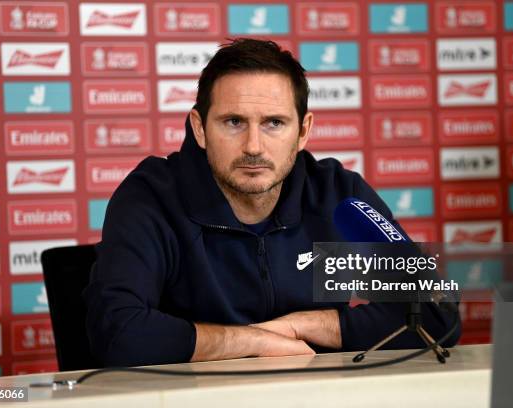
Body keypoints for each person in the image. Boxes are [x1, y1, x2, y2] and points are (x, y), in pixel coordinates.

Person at [83, 38, 460, 366]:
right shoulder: (152, 196)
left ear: (303, 131)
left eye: (274, 123)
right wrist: (255, 341)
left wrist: (300, 326)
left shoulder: (339, 196)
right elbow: (118, 331)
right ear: (199, 128)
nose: (253, 147)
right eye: (233, 122)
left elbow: (436, 312)